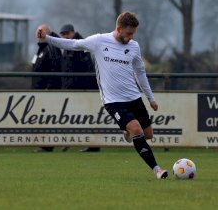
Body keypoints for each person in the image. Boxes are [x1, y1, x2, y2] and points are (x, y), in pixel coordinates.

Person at [37, 12, 168, 179]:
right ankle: (157, 169)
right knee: (136, 129)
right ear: (118, 28)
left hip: (134, 97)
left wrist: (150, 98)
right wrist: (47, 38)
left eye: (133, 34)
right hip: (113, 101)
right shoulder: (99, 41)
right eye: (128, 33)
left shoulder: (134, 46)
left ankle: (127, 133)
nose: (130, 37)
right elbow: (72, 44)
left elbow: (140, 72)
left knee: (147, 135)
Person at [59, 24, 100, 152]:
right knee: (72, 118)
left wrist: (87, 91)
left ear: (73, 33)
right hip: (72, 89)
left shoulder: (81, 45)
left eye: (67, 33)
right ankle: (71, 142)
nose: (65, 36)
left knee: (87, 117)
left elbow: (86, 69)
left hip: (83, 90)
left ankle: (93, 145)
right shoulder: (68, 46)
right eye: (63, 34)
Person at [32, 24, 62, 152]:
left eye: (41, 32)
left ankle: (48, 145)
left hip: (47, 91)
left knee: (48, 118)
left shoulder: (51, 48)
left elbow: (55, 69)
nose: (38, 35)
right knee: (41, 119)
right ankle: (44, 144)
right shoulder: (41, 49)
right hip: (39, 91)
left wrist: (49, 88)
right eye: (37, 32)